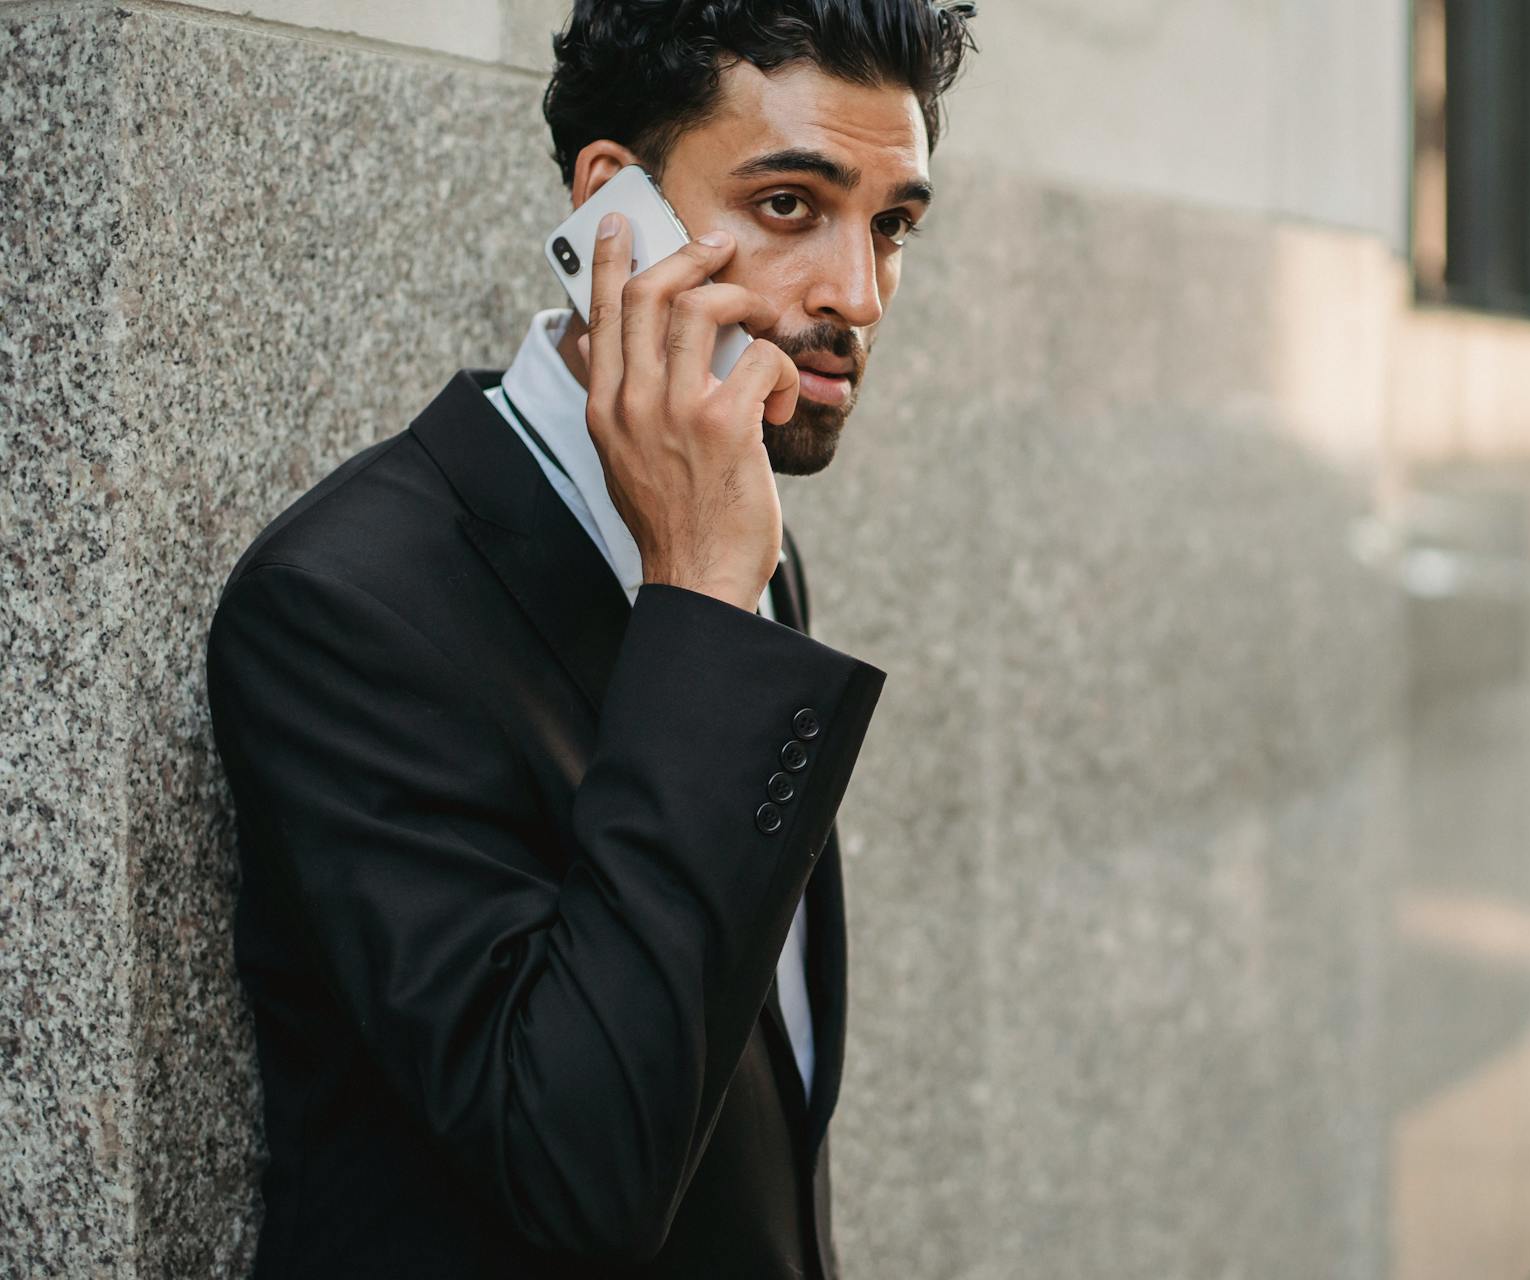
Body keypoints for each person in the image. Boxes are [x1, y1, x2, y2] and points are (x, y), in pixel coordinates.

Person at [204, 2, 976, 1274]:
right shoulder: (345, 606)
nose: (858, 292)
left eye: (893, 223)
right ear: (613, 207)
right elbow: (581, 1169)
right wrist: (699, 608)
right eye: (791, 203)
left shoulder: (751, 546)